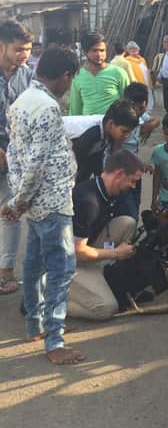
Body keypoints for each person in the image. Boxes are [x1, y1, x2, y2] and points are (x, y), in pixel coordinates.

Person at [4, 48, 82, 363]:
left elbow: (13, 154)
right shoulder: (48, 107)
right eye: (70, 79)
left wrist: (19, 200)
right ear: (65, 75)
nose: (69, 85)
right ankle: (54, 342)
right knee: (61, 271)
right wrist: (18, 202)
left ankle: (35, 326)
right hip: (52, 203)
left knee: (34, 267)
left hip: (36, 205)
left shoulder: (21, 101)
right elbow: (36, 163)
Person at [68, 150, 144, 321]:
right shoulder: (88, 202)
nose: (133, 186)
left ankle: (97, 275)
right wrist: (116, 253)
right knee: (106, 307)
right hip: (65, 261)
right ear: (119, 174)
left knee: (127, 223)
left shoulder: (105, 190)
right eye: (132, 181)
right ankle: (46, 301)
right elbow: (76, 252)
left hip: (86, 247)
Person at [0, 20, 33, 294]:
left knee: (10, 212)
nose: (24, 54)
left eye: (28, 49)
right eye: (19, 49)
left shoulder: (27, 75)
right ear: (2, 47)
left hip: (15, 155)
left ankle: (5, 273)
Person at [72, 99, 139, 183]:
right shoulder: (93, 133)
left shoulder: (105, 130)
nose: (127, 136)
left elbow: (94, 161)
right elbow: (73, 161)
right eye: (124, 131)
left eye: (129, 132)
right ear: (111, 124)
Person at [118, 82, 159, 218]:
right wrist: (140, 164)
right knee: (128, 210)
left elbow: (156, 120)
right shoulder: (121, 120)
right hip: (121, 171)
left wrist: (150, 126)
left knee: (135, 204)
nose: (137, 112)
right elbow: (117, 151)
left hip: (134, 171)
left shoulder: (140, 116)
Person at [69, 33, 130, 116]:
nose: (99, 54)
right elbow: (75, 109)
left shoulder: (119, 73)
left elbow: (128, 103)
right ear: (85, 52)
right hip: (88, 123)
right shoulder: (78, 76)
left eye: (102, 50)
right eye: (94, 50)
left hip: (114, 122)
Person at [124, 41, 154, 111]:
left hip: (146, 83)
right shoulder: (128, 61)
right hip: (138, 85)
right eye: (132, 50)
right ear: (128, 51)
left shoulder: (142, 60)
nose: (134, 52)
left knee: (148, 101)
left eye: (136, 50)